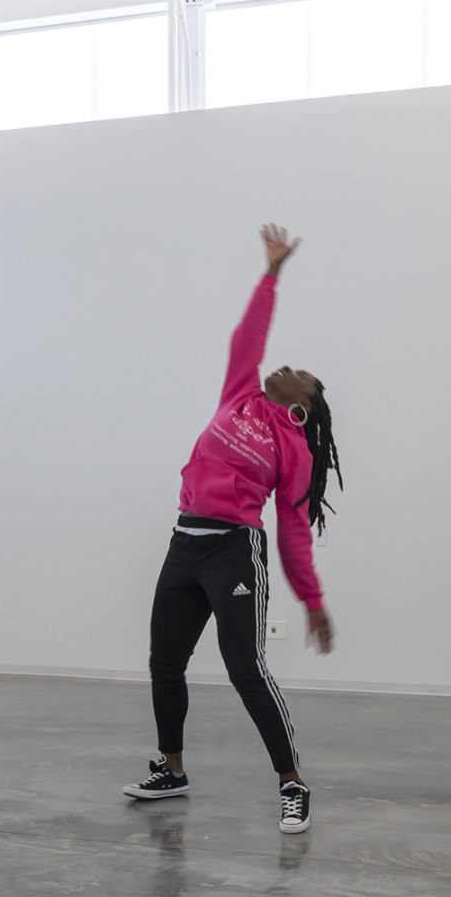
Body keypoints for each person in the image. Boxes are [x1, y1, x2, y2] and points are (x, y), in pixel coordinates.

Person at [123, 223, 343, 835]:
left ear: (302, 406)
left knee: (245, 667)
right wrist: (271, 272)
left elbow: (295, 534)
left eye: (300, 372)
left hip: (232, 552)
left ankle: (292, 783)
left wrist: (314, 602)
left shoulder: (294, 451)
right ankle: (172, 769)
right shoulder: (240, 394)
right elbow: (247, 336)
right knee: (164, 662)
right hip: (184, 542)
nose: (287, 366)